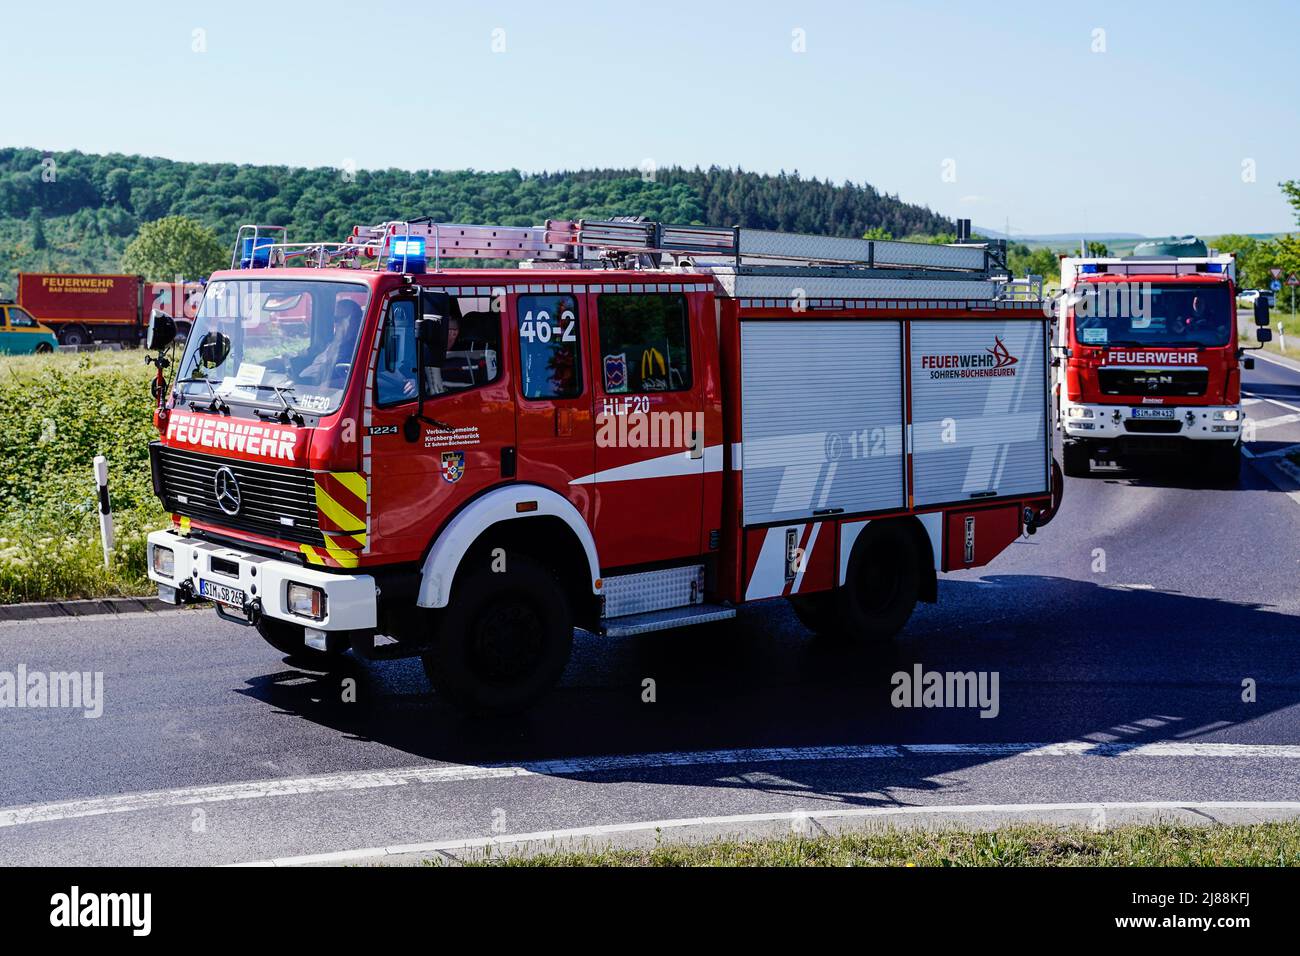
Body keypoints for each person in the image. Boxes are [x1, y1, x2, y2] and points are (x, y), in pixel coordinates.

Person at [298, 299, 361, 385]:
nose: (337, 324)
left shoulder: (358, 349)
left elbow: (349, 380)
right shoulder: (332, 341)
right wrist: (286, 362)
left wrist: (327, 385)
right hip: (305, 386)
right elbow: (312, 352)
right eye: (335, 319)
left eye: (341, 319)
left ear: (357, 321)